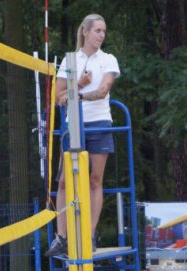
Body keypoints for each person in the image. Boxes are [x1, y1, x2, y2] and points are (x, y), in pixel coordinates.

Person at [46, 13, 120, 256]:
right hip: (73, 125)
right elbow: (57, 98)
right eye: (98, 30)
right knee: (64, 181)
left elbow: (102, 91)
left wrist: (76, 95)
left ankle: (89, 235)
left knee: (94, 180)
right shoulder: (70, 61)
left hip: (99, 123)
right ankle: (62, 237)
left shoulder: (108, 60)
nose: (101, 35)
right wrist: (78, 84)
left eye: (104, 31)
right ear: (85, 32)